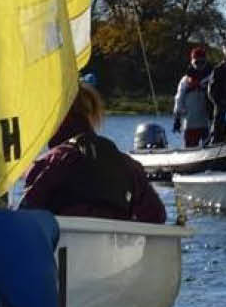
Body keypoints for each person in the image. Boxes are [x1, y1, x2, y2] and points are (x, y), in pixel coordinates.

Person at [21, 82, 166, 223]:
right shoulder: (130, 166)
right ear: (91, 115)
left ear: (55, 115)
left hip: (65, 244)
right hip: (117, 245)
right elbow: (156, 215)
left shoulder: (51, 162)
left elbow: (25, 215)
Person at [172, 46, 213, 147]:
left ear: (206, 62)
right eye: (196, 62)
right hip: (190, 123)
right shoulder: (185, 81)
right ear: (191, 62)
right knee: (189, 147)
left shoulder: (212, 79)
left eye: (202, 62)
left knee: (210, 146)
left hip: (207, 123)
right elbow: (179, 99)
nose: (199, 65)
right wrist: (177, 118)